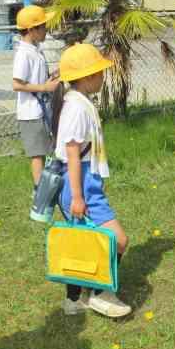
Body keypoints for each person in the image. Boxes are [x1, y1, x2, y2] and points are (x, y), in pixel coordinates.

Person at [53, 43, 132, 318]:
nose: (103, 76)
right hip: (80, 183)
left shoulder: (78, 102)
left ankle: (74, 300)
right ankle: (100, 293)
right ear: (87, 77)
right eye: (99, 72)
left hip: (84, 181)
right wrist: (77, 196)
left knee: (82, 242)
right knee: (118, 240)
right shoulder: (77, 108)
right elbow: (72, 154)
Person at [12, 5, 61, 201]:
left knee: (44, 150)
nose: (46, 30)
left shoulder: (35, 50)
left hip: (40, 110)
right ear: (32, 29)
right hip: (30, 112)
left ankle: (45, 188)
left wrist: (52, 77)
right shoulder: (24, 54)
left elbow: (36, 79)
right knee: (37, 154)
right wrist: (44, 87)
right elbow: (17, 84)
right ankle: (40, 193)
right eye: (43, 26)